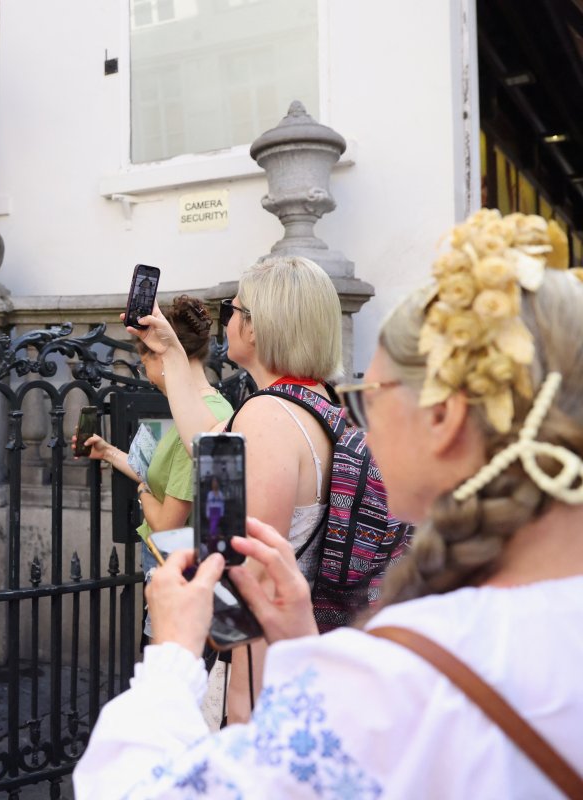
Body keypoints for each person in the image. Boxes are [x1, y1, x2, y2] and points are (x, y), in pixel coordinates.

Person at [74, 210, 583, 798]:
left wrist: (173, 654)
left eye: (371, 393)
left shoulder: (402, 678)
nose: (358, 423)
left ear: (444, 418)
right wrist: (299, 643)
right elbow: (210, 444)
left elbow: (134, 788)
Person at [133, 257, 343, 721]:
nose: (227, 318)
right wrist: (170, 351)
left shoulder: (267, 416)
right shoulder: (311, 398)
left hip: (262, 667)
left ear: (255, 326)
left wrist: (242, 709)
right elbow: (206, 439)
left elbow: (257, 577)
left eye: (234, 308)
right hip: (290, 650)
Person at [76, 296, 233, 638]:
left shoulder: (195, 426)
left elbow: (165, 524)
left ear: (159, 357)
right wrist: (108, 453)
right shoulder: (211, 408)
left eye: (143, 359)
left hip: (180, 578)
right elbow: (169, 481)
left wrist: (143, 492)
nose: (144, 372)